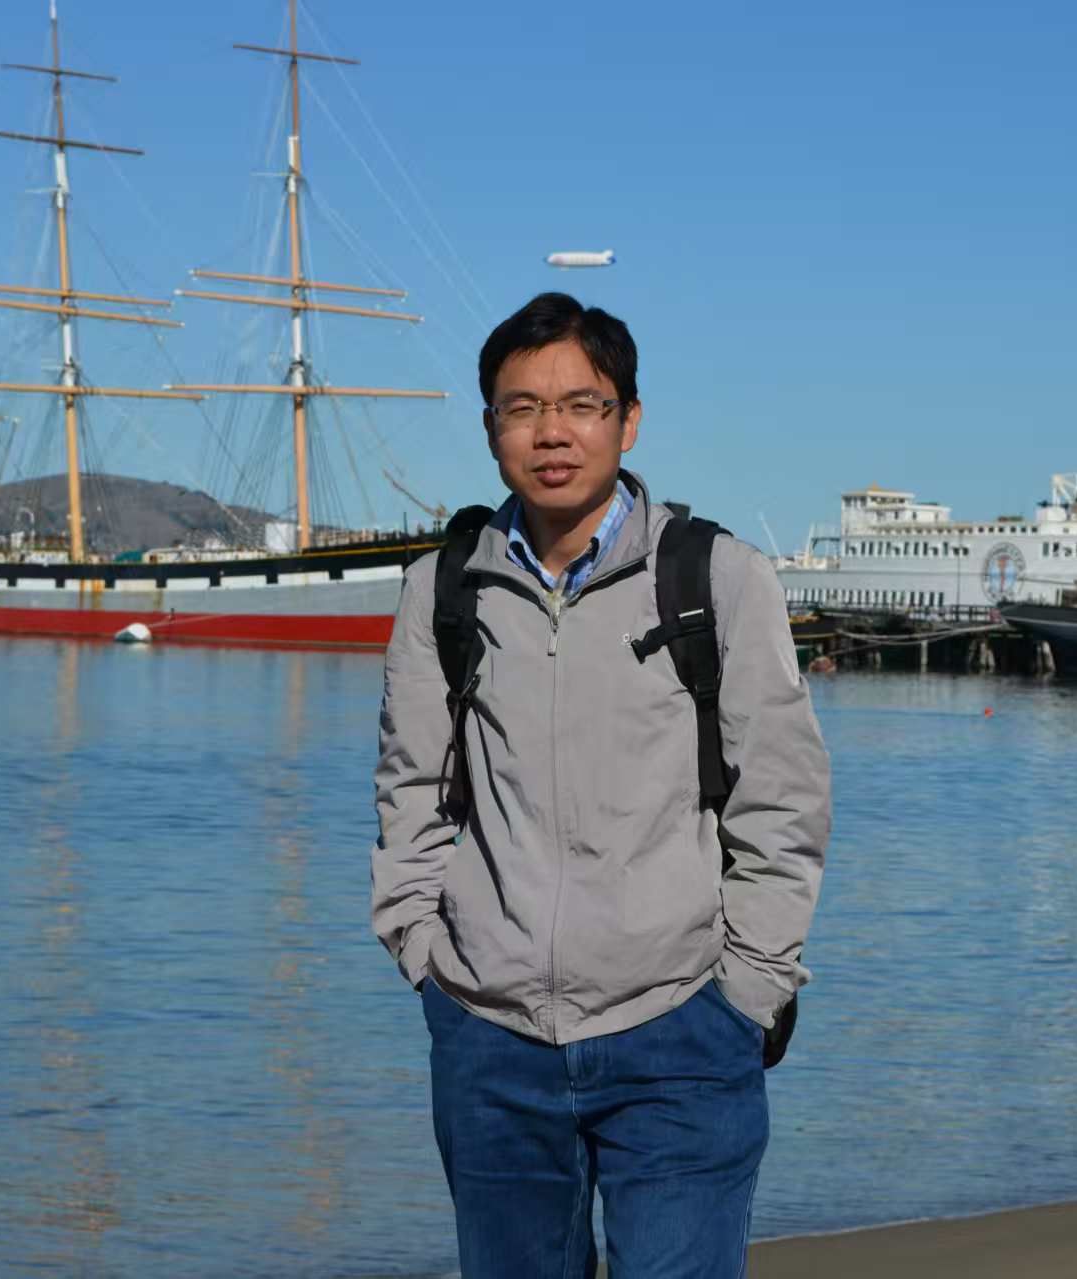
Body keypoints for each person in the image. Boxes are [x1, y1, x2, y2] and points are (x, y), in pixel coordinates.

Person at [371, 292, 830, 1278]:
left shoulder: (716, 579)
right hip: (490, 1039)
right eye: (522, 407)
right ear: (490, 427)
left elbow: (782, 801)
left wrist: (747, 990)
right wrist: (426, 955)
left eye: (582, 404)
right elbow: (413, 791)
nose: (552, 432)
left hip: (682, 1028)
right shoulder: (442, 590)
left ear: (629, 419)